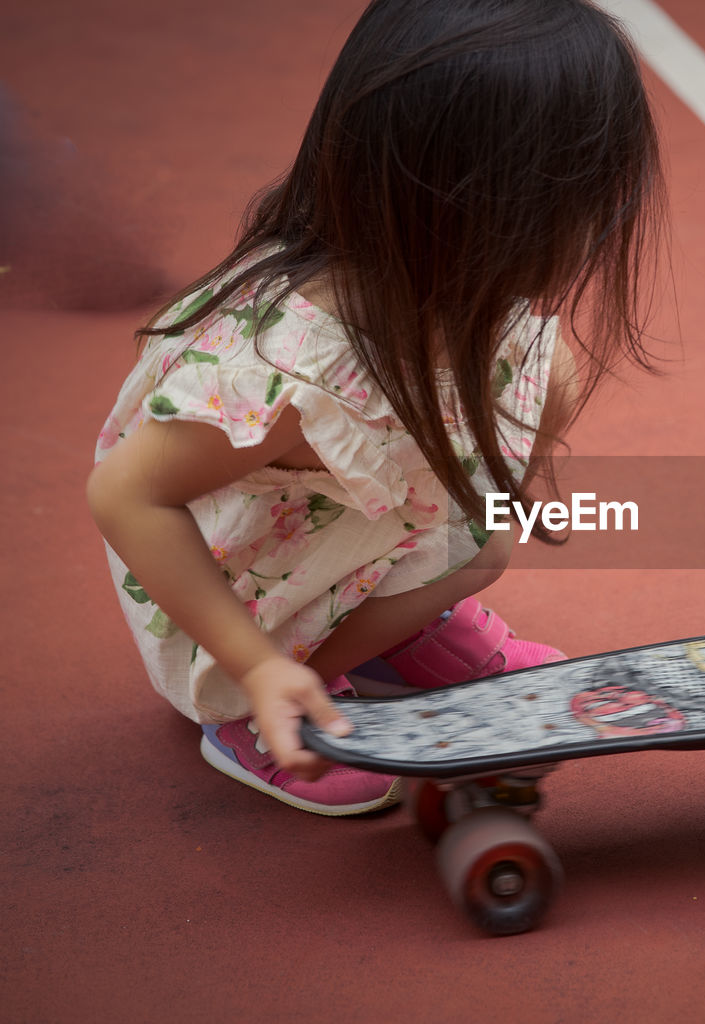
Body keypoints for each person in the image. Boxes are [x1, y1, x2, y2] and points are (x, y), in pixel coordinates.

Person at [86, 0, 667, 816]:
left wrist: (529, 461)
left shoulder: (468, 291)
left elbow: (543, 372)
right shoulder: (298, 372)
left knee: (490, 530)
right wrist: (256, 664)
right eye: (590, 203)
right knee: (480, 528)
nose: (605, 227)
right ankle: (266, 702)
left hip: (340, 536)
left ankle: (395, 634)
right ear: (491, 213)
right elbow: (125, 493)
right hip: (229, 599)